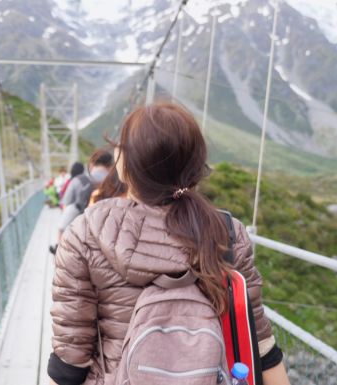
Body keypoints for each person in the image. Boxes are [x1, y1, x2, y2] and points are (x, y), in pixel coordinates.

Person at [48, 103, 289, 385]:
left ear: (125, 168)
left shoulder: (84, 233)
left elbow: (69, 363)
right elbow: (259, 343)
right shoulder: (227, 234)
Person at [49, 150, 113, 255]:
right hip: (109, 236)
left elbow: (66, 203)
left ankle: (59, 249)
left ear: (92, 164)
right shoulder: (119, 183)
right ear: (111, 165)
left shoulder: (79, 180)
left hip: (81, 234)